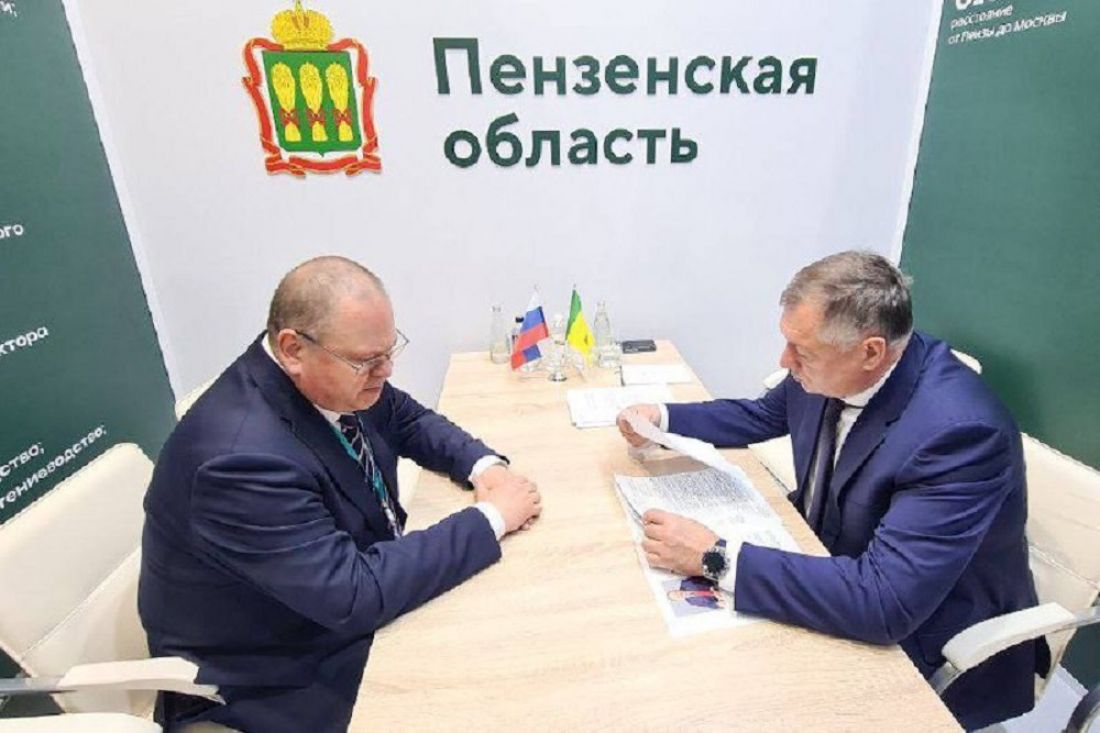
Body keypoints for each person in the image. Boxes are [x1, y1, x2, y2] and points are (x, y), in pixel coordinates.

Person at [617, 251, 1042, 730]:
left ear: (871, 352)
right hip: (829, 562)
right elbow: (764, 414)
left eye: (802, 352)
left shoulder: (958, 434)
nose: (785, 361)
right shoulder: (834, 367)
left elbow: (884, 603)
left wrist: (714, 557)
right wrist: (662, 419)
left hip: (919, 637)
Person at [139, 256, 542, 732]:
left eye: (389, 353)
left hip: (326, 610)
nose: (385, 372)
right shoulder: (240, 463)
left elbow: (407, 419)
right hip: (271, 676)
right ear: (293, 349)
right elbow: (354, 594)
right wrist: (491, 518)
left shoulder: (329, 379)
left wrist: (484, 468)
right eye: (368, 361)